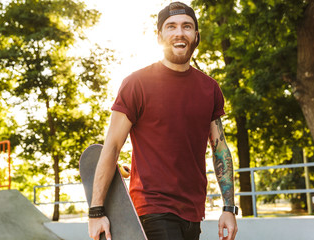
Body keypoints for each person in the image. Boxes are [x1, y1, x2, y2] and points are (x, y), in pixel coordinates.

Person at [88, 2, 238, 240]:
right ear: (159, 36)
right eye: (171, 27)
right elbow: (113, 145)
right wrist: (96, 211)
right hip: (153, 208)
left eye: (187, 26)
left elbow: (220, 149)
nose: (180, 32)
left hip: (192, 211)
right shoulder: (136, 84)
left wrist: (229, 208)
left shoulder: (209, 89)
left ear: (196, 36)